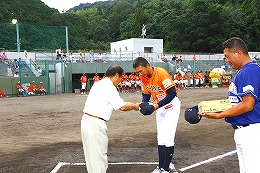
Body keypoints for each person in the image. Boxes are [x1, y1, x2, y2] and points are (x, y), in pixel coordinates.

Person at [199, 37, 260, 173]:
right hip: (244, 130)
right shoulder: (243, 71)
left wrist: (220, 115)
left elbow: (248, 104)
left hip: (252, 131)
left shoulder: (249, 70)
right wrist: (212, 107)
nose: (225, 60)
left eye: (227, 56)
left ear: (238, 53)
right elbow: (236, 102)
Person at [81, 64, 139, 173]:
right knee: (99, 158)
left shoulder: (99, 84)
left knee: (91, 158)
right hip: (95, 124)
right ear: (116, 75)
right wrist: (136, 106)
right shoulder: (109, 87)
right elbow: (122, 106)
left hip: (87, 121)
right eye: (121, 78)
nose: (121, 81)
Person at [133, 57, 180, 173]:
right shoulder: (143, 77)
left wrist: (156, 106)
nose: (140, 74)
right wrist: (144, 105)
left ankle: (165, 169)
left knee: (168, 138)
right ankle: (160, 167)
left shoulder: (161, 73)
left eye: (140, 71)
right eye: (138, 72)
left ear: (148, 66)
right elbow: (146, 94)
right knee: (160, 138)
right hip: (159, 107)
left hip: (171, 106)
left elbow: (172, 94)